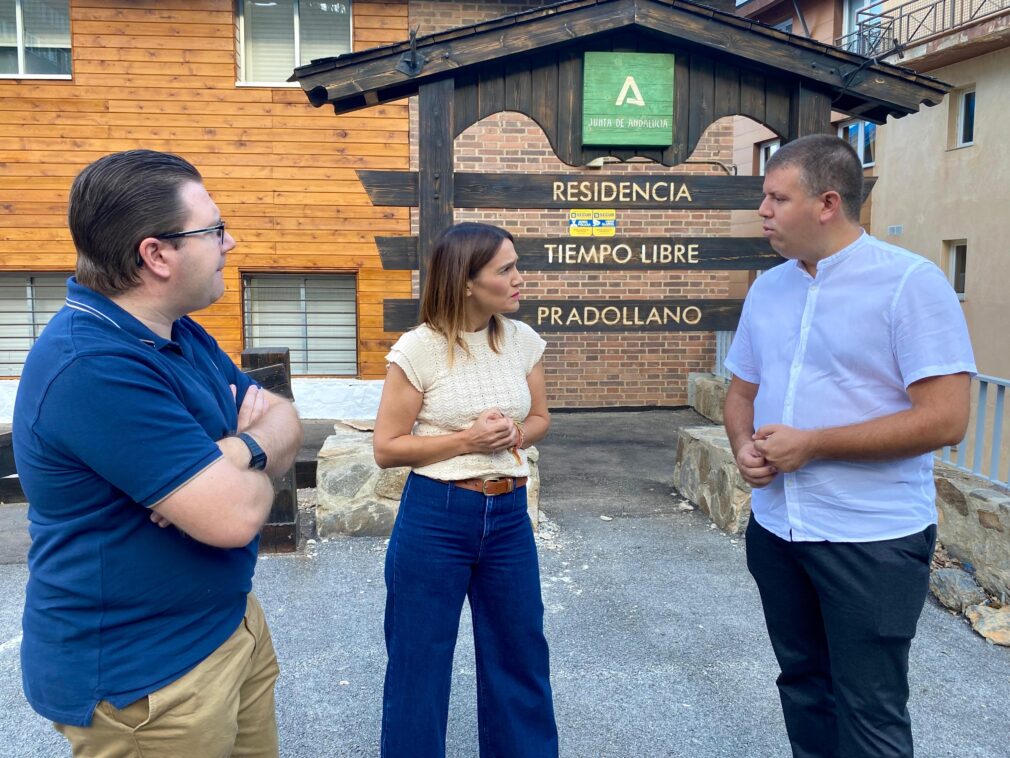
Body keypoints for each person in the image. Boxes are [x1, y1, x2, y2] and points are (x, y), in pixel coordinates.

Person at [12, 149, 303, 757]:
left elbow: (283, 415)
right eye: (215, 229)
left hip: (227, 625)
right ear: (156, 254)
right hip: (148, 682)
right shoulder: (94, 367)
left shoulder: (176, 330)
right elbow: (236, 519)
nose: (231, 242)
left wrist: (231, 453)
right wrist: (252, 457)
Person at [724, 134, 976, 757]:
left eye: (777, 198)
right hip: (779, 532)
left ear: (827, 203)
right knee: (803, 687)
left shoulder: (910, 285)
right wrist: (741, 447)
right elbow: (740, 394)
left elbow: (945, 420)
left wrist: (814, 445)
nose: (764, 211)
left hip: (872, 540)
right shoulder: (768, 289)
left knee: (870, 710)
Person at [373, 221, 559, 757]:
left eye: (517, 265)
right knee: (419, 662)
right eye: (506, 269)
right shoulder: (419, 349)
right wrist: (467, 439)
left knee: (519, 655)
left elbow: (543, 417)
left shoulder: (523, 341)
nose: (520, 278)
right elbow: (387, 447)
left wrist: (515, 434)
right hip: (437, 514)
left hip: (508, 516)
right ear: (466, 283)